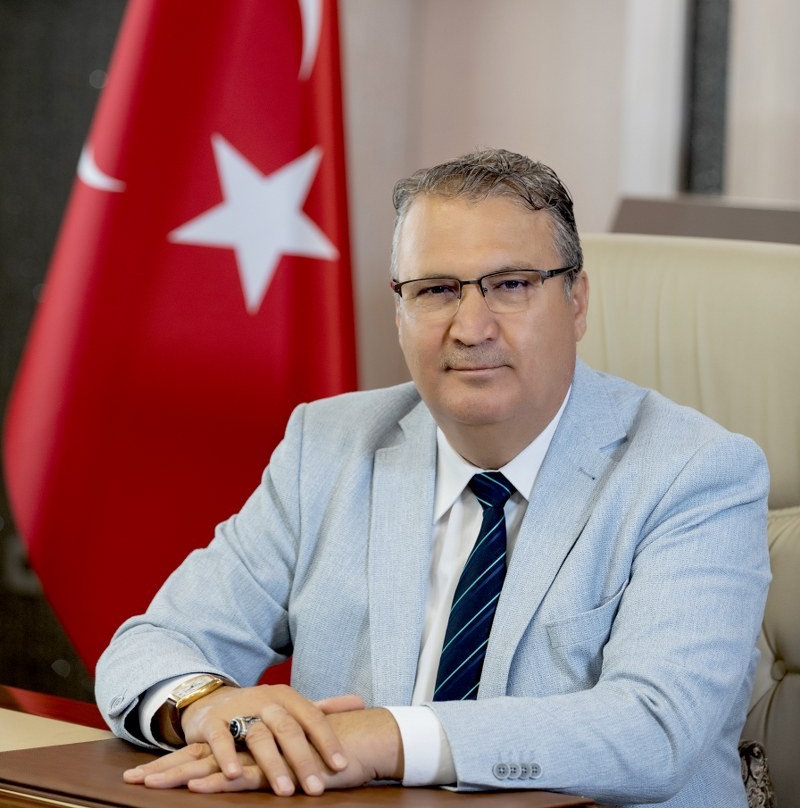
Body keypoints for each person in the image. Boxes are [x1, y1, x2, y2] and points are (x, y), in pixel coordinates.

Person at [95, 148, 771, 806]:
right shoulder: (327, 447)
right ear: (400, 313)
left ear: (577, 301)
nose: (471, 328)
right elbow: (151, 646)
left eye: (511, 285)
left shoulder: (694, 473)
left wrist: (384, 738)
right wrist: (210, 708)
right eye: (436, 291)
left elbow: (654, 729)